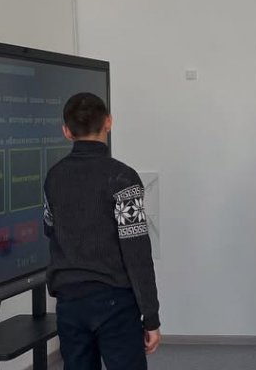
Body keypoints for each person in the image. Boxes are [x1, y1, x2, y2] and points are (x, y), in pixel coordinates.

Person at [43, 92, 160, 370]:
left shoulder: (54, 177)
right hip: (115, 303)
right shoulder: (123, 178)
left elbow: (49, 228)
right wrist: (151, 317)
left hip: (69, 302)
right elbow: (137, 253)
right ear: (109, 122)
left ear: (66, 131)